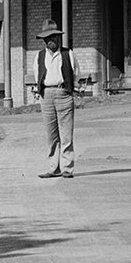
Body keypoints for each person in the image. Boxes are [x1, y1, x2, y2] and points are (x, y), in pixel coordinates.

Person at [29, 22, 85, 178]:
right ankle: (54, 168)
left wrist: (70, 87)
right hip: (46, 95)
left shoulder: (68, 54)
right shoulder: (39, 56)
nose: (52, 41)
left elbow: (76, 74)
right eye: (48, 38)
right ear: (44, 40)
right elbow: (37, 75)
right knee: (51, 134)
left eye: (54, 37)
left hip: (63, 93)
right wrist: (41, 90)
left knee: (66, 133)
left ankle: (67, 168)